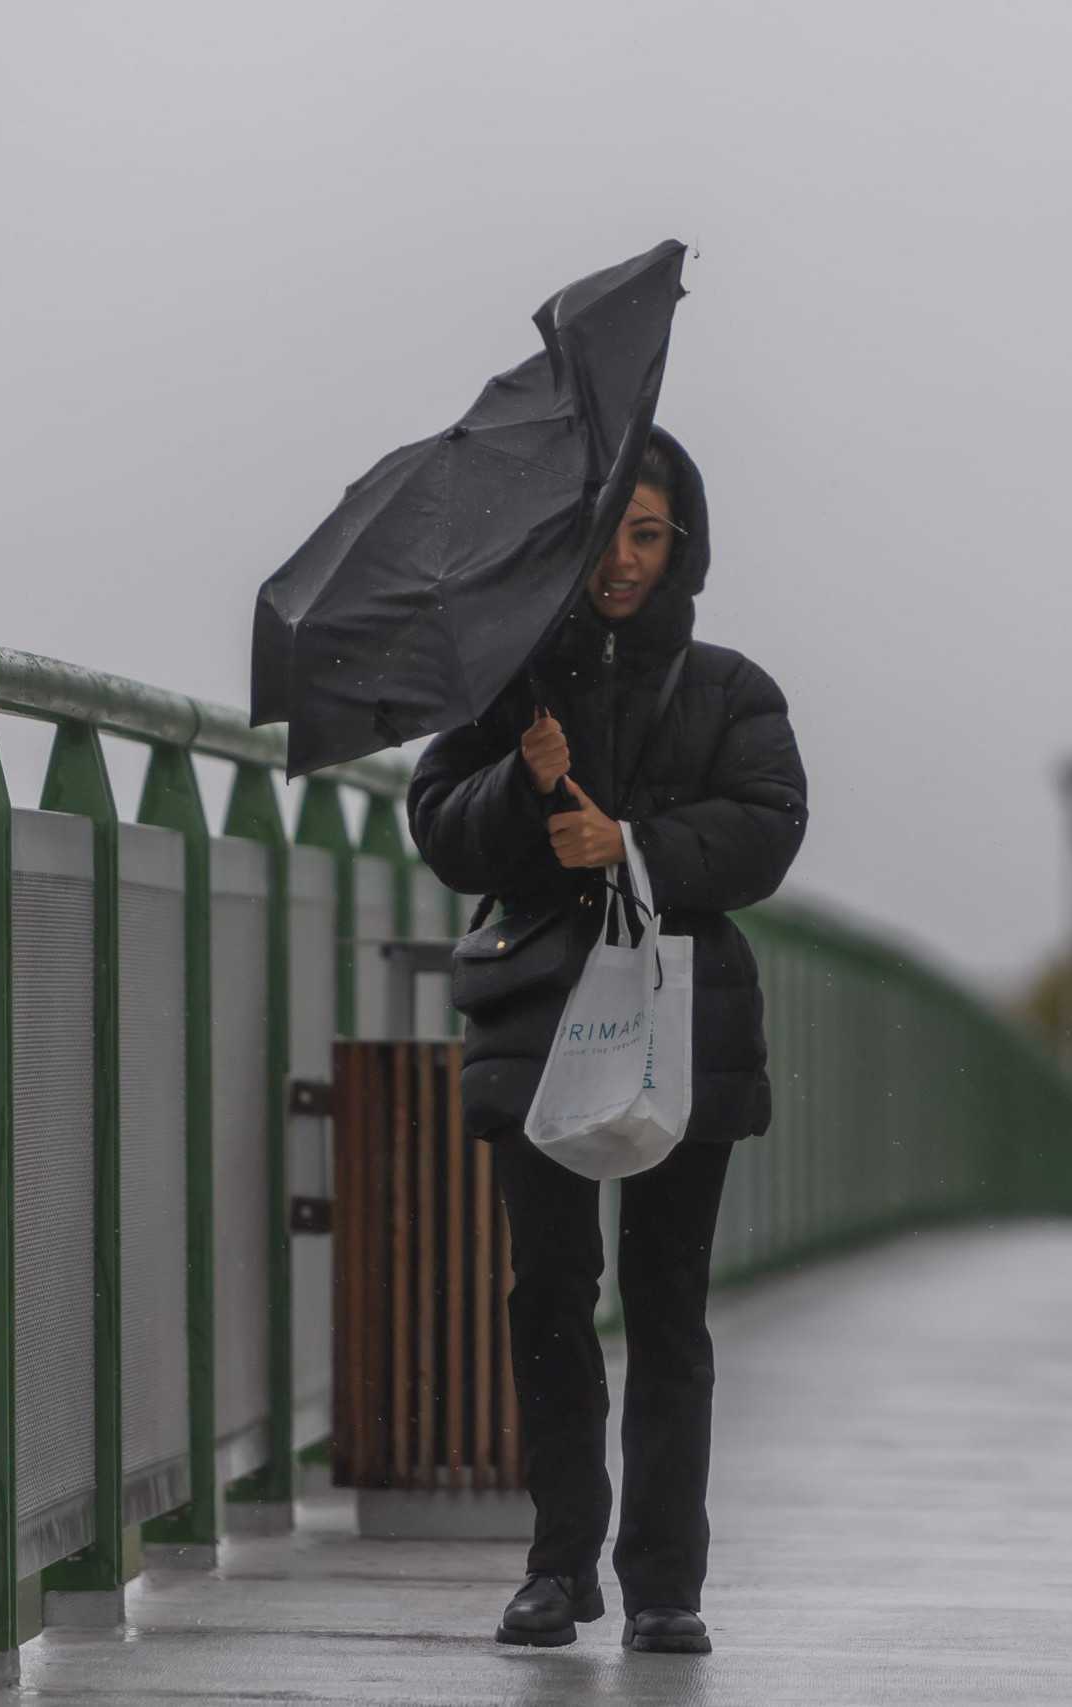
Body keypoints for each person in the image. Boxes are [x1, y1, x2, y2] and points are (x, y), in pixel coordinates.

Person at [408, 428, 808, 1656]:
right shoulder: (510, 679)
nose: (623, 562)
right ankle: (556, 1563)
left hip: (685, 1016)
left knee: (667, 1301)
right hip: (541, 1014)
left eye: (647, 536)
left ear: (679, 543)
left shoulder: (731, 688)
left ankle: (665, 1584)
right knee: (547, 1293)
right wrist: (524, 790)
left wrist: (627, 843)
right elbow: (440, 827)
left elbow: (766, 829)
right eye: (606, 535)